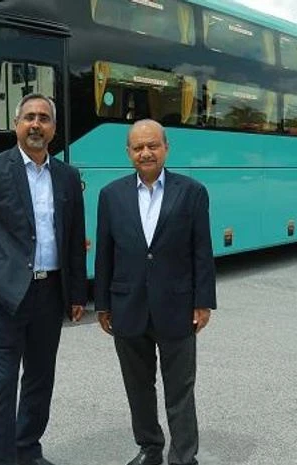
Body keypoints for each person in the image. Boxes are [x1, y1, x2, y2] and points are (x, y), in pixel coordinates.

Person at [0, 93, 87, 465]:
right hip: (3, 296)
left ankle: (27, 449)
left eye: (44, 118)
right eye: (29, 117)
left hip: (50, 293)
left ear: (54, 129)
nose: (36, 124)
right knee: (2, 381)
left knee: (40, 379)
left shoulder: (67, 175)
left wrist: (77, 292)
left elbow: (74, 239)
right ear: (16, 124)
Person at [94, 119, 216, 465]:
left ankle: (183, 455)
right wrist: (102, 304)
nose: (145, 152)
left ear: (166, 148)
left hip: (177, 306)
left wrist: (203, 302)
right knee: (138, 388)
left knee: (180, 389)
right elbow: (105, 253)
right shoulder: (111, 195)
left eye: (152, 146)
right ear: (129, 153)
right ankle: (150, 448)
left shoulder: (191, 192)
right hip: (127, 306)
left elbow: (201, 251)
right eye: (138, 148)